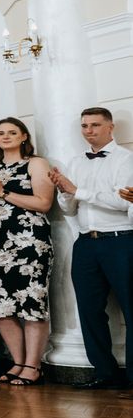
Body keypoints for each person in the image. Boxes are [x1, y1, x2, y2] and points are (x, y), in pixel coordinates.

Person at [49, 107, 133, 391]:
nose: (88, 131)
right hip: (86, 243)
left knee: (130, 308)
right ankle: (106, 373)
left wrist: (78, 190)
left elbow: (123, 202)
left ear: (111, 127)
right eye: (84, 126)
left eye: (95, 125)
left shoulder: (126, 159)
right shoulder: (75, 162)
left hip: (121, 240)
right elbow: (69, 208)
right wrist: (64, 192)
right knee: (89, 310)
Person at [0, 117, 54, 387]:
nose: (6, 136)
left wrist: (3, 192)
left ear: (23, 137)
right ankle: (18, 363)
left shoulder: (36, 163)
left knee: (31, 302)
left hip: (30, 240)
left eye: (12, 132)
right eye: (1, 133)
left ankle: (33, 366)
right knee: (1, 305)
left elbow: (44, 203)